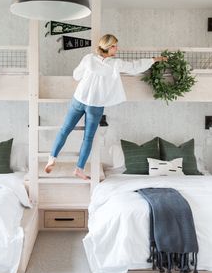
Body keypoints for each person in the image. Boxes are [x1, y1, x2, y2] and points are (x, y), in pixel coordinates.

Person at [44, 34, 167, 179]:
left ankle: (52, 158)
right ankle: (79, 169)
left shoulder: (88, 58)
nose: (117, 48)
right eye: (115, 46)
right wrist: (154, 59)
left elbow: (76, 75)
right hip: (95, 105)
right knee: (88, 138)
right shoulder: (115, 64)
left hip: (80, 99)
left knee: (64, 130)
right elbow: (135, 67)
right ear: (109, 48)